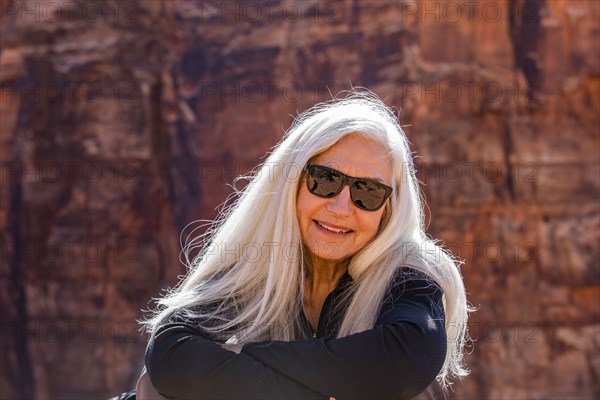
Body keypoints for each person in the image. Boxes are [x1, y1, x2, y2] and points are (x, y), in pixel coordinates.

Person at [136, 90, 471, 399]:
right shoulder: (259, 267)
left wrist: (241, 355)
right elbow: (171, 355)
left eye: (367, 191)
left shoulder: (409, 276)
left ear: (389, 209)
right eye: (325, 180)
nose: (341, 208)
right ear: (292, 183)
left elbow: (407, 361)